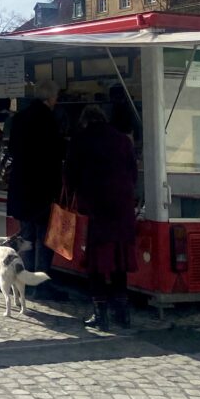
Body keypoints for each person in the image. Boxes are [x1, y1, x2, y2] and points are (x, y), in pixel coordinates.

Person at [65, 105, 139, 330]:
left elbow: (70, 174)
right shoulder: (123, 140)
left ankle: (100, 314)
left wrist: (75, 196)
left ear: (85, 121)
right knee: (119, 261)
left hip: (97, 208)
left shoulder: (80, 140)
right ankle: (122, 314)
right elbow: (133, 174)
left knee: (96, 264)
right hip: (123, 208)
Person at [5, 79, 67, 300]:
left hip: (22, 187)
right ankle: (42, 284)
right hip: (41, 188)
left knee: (27, 238)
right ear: (51, 98)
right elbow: (57, 153)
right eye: (56, 96)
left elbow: (11, 149)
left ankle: (25, 280)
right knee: (44, 238)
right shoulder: (48, 120)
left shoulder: (20, 118)